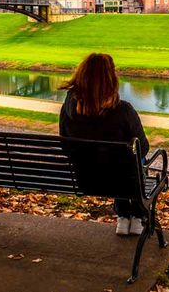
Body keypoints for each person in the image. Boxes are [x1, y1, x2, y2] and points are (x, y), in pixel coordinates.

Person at [59, 53, 149, 236]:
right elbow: (144, 148)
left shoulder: (69, 105)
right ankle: (137, 217)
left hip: (85, 179)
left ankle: (123, 217)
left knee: (120, 160)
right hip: (121, 180)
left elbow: (65, 145)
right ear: (111, 79)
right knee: (134, 159)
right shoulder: (123, 110)